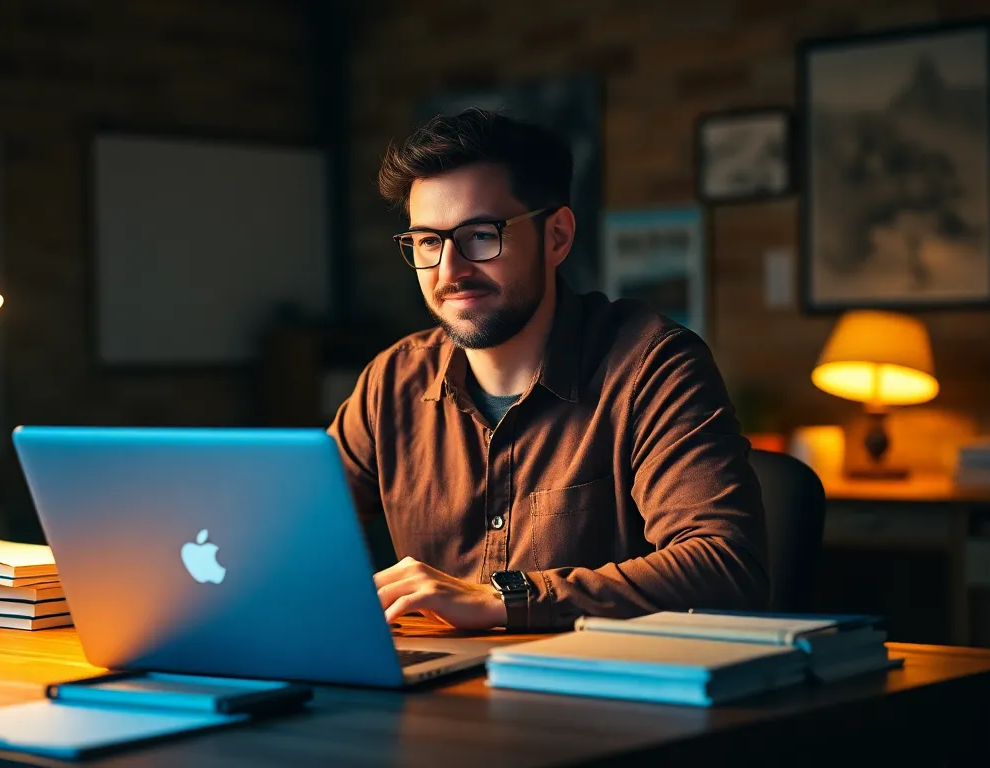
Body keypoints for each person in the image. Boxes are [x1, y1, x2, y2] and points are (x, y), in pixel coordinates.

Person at [328, 108, 768, 631]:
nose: (450, 270)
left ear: (557, 236)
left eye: (481, 235)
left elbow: (727, 565)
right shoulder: (393, 381)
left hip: (589, 697)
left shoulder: (652, 366)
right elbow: (292, 532)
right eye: (427, 241)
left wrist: (505, 599)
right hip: (435, 691)